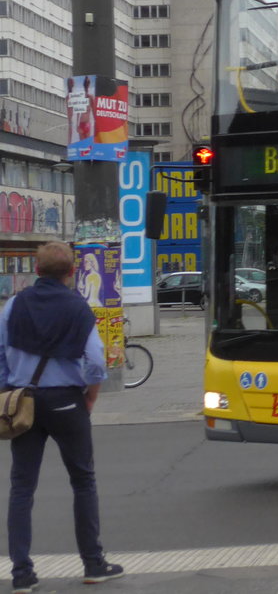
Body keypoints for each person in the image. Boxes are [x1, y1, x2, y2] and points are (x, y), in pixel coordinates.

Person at [0, 242, 123, 591]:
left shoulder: (13, 306)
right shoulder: (78, 308)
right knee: (82, 481)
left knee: (22, 487)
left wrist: (7, 392)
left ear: (36, 271)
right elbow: (97, 363)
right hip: (67, 402)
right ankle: (94, 564)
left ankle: (22, 574)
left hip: (23, 400)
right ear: (72, 273)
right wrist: (90, 397)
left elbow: (0, 352)